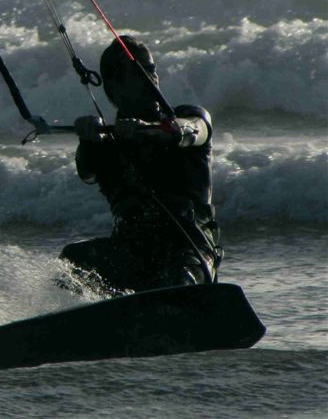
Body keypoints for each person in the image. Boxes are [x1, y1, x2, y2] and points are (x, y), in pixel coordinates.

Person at [59, 35, 222, 296]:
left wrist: (158, 130)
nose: (151, 78)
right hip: (131, 253)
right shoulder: (104, 145)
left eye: (152, 70)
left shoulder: (185, 119)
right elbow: (86, 172)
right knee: (73, 260)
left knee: (175, 280)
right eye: (138, 72)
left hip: (188, 252)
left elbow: (197, 129)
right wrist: (87, 138)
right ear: (114, 86)